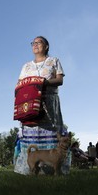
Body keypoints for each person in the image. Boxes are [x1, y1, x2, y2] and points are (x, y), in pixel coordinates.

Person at [14, 36, 70, 175]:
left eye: (39, 42)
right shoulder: (26, 66)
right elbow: (19, 84)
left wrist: (44, 83)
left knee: (51, 130)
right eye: (33, 43)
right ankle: (30, 169)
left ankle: (53, 169)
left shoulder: (53, 61)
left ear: (46, 46)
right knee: (31, 128)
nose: (35, 44)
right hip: (30, 103)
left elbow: (59, 80)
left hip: (48, 102)